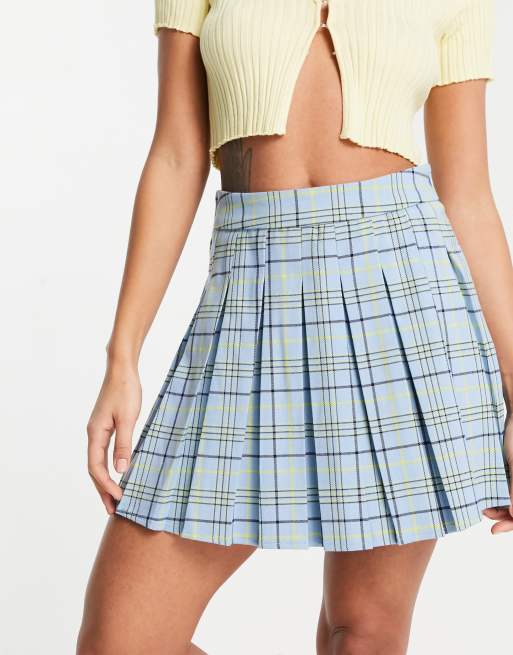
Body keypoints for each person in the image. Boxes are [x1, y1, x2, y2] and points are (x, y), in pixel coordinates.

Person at [77, 1, 513, 654]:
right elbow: (175, 155)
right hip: (250, 292)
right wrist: (123, 357)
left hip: (404, 298)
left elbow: (469, 194)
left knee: (362, 633)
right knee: (122, 642)